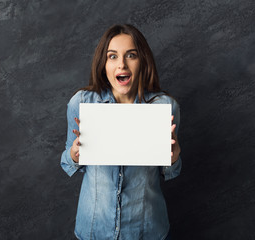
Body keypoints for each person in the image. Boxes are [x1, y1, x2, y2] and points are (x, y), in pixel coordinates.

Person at [60, 24, 181, 240]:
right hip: (94, 229)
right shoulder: (81, 103)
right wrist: (74, 154)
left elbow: (169, 172)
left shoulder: (164, 107)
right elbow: (68, 163)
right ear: (103, 63)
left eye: (131, 55)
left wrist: (173, 158)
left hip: (146, 230)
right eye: (112, 56)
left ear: (142, 60)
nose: (122, 64)